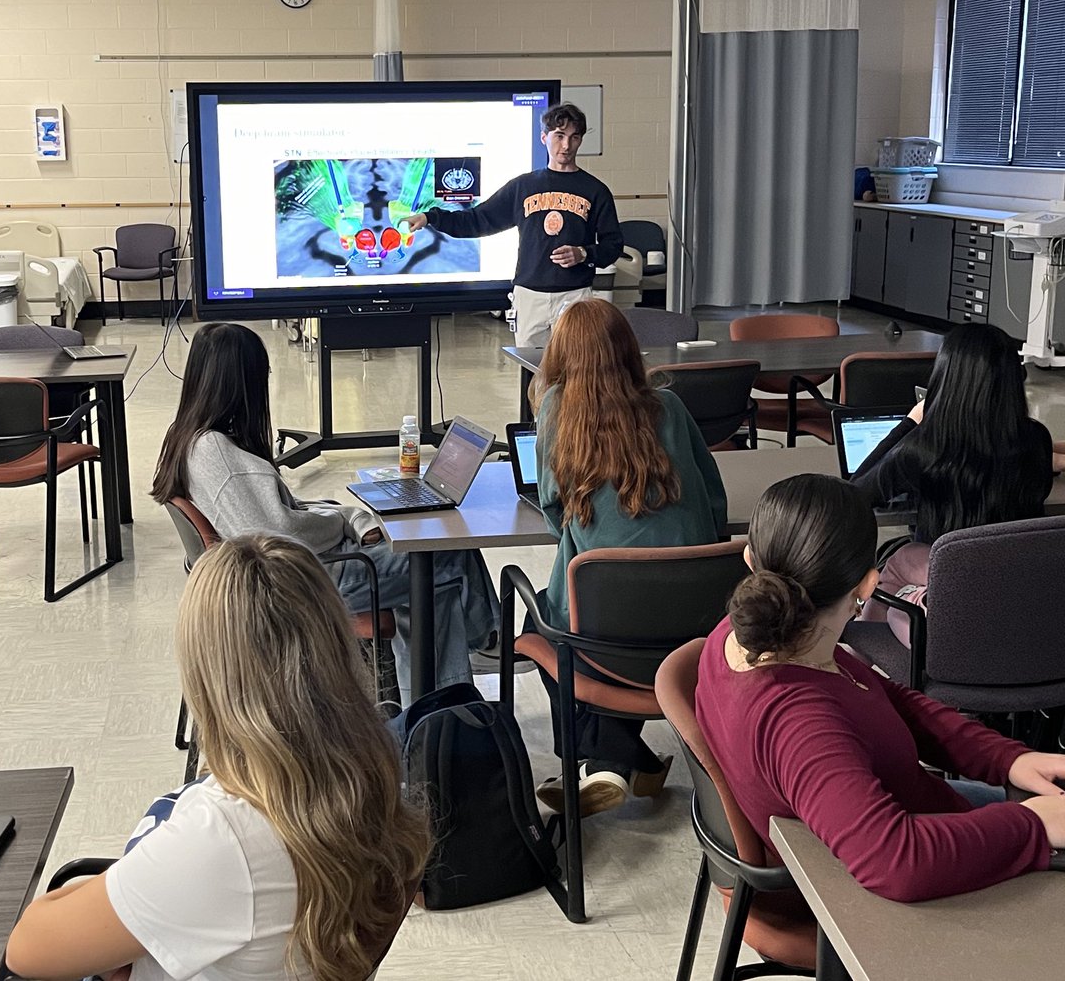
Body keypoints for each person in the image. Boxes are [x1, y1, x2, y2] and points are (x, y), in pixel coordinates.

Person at [5, 535, 431, 980]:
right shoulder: (373, 777)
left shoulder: (223, 839)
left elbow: (26, 949)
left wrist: (127, 901)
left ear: (208, 674)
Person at [696, 473, 1065, 903]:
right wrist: (1034, 824)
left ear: (751, 562)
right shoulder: (801, 722)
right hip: (890, 883)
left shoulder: (754, 633)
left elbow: (879, 695)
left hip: (899, 824)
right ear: (869, 585)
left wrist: (1008, 759)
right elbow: (894, 863)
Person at [149, 322, 500, 704]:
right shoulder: (221, 456)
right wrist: (340, 522)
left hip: (282, 574)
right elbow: (281, 532)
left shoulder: (191, 438)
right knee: (444, 553)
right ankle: (486, 643)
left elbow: (277, 513)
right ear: (241, 383)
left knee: (436, 587)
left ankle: (438, 706)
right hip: (298, 584)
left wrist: (345, 515)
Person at [529, 300, 728, 816]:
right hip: (697, 624)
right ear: (627, 348)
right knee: (621, 605)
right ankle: (625, 761)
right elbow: (714, 498)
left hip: (605, 635)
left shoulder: (555, 408)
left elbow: (553, 510)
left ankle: (599, 761)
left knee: (549, 623)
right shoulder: (671, 408)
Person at [851, 322, 1061, 644]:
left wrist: (909, 423)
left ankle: (860, 661)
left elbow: (855, 492)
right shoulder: (1036, 440)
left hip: (950, 604)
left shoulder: (924, 448)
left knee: (896, 562)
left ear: (946, 378)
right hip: (1022, 594)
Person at [398, 102, 624, 349]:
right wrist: (431, 218)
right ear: (544, 137)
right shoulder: (523, 187)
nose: (566, 145)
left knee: (576, 369)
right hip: (529, 296)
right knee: (532, 373)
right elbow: (477, 220)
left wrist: (584, 253)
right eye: (559, 136)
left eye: (574, 137)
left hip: (575, 295)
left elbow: (613, 245)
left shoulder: (595, 191)